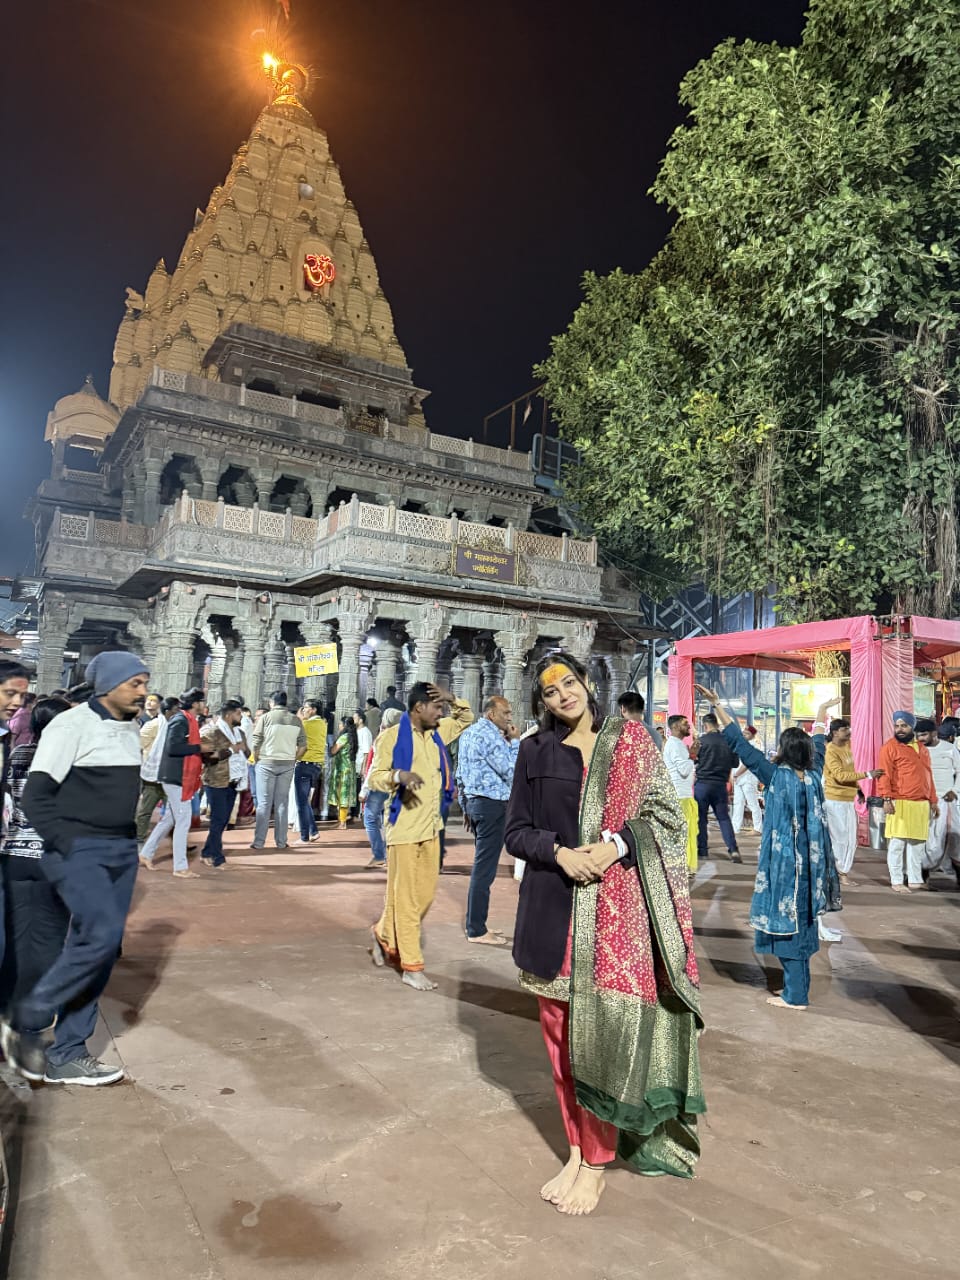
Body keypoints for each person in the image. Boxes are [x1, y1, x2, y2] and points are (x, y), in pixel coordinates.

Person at [507, 653, 704, 1216]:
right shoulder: (534, 752)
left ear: (589, 684)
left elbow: (667, 814)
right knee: (560, 1045)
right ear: (540, 702)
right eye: (550, 692)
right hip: (553, 912)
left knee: (606, 1042)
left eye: (570, 682)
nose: (563, 695)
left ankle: (597, 1161)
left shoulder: (632, 742)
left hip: (618, 920)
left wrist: (616, 846)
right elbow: (517, 832)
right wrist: (560, 854)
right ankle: (575, 1151)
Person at [2, 652, 148, 1080]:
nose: (143, 691)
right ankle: (31, 1017)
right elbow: (37, 796)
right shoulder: (71, 725)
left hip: (120, 851)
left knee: (102, 952)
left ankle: (66, 1051)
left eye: (144, 682)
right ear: (108, 685)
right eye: (134, 683)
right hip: (81, 849)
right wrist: (71, 845)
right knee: (92, 943)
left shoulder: (130, 726)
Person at [698, 686, 841, 1009]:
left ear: (783, 750)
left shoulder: (774, 776)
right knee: (804, 923)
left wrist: (718, 704)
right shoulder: (815, 775)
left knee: (787, 924)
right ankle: (796, 988)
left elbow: (737, 741)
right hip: (812, 869)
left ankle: (795, 995)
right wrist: (821, 710)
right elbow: (818, 737)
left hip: (784, 868)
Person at [368, 683, 473, 990]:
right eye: (436, 707)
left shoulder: (438, 734)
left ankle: (383, 934)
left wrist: (451, 697)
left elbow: (466, 718)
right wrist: (397, 776)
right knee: (407, 899)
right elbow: (374, 777)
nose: (441, 712)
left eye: (442, 708)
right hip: (403, 829)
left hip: (431, 826)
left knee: (423, 896)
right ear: (418, 709)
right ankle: (411, 965)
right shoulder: (390, 738)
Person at [455, 696, 519, 944]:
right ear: (491, 714)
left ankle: (477, 924)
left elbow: (461, 774)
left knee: (483, 868)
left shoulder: (469, 734)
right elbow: (511, 771)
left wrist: (466, 807)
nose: (509, 717)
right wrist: (515, 743)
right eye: (506, 713)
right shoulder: (491, 737)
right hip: (493, 807)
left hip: (477, 805)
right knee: (484, 871)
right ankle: (477, 930)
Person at [138, 687, 210, 879]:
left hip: (177, 776)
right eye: (202, 701)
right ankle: (180, 867)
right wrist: (199, 747)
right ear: (195, 703)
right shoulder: (180, 720)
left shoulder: (187, 720)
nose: (204, 705)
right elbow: (173, 747)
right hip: (176, 777)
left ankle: (145, 853)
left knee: (170, 819)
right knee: (183, 819)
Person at [878, 711, 938, 893]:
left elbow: (928, 775)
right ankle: (896, 881)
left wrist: (933, 800)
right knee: (897, 843)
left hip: (921, 803)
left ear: (912, 727)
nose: (900, 729)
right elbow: (884, 775)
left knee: (917, 843)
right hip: (900, 801)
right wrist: (886, 798)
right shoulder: (889, 747)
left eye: (904, 725)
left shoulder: (922, 748)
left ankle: (914, 879)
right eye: (897, 726)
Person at [823, 717, 883, 889]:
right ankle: (839, 873)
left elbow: (849, 772)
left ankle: (841, 872)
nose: (849, 732)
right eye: (845, 729)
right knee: (839, 838)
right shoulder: (831, 751)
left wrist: (858, 789)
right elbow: (840, 776)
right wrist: (868, 775)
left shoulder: (847, 747)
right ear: (835, 733)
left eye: (849, 728)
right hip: (834, 801)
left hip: (847, 800)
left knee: (850, 838)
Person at [250, 691, 307, 850]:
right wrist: (294, 758)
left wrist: (256, 758)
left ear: (272, 702)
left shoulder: (265, 718)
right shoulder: (296, 720)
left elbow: (256, 741)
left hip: (266, 763)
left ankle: (259, 842)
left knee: (264, 804)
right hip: (287, 764)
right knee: (282, 803)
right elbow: (303, 745)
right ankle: (281, 842)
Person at [199, 700, 248, 868]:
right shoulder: (211, 732)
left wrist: (244, 749)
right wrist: (232, 750)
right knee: (218, 819)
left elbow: (246, 752)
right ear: (229, 715)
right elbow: (208, 757)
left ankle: (206, 852)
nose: (240, 717)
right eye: (238, 713)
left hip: (234, 781)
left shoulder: (239, 732)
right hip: (216, 781)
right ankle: (217, 858)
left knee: (223, 820)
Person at [914, 718, 960, 882]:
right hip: (924, 800)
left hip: (946, 800)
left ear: (934, 733)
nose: (921, 738)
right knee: (925, 838)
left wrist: (954, 790)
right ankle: (922, 874)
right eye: (918, 735)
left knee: (953, 837)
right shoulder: (917, 750)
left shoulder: (949, 748)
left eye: (924, 735)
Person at [693, 712, 741, 863]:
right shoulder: (728, 741)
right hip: (720, 785)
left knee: (701, 818)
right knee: (724, 819)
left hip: (702, 784)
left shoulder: (701, 741)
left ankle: (702, 850)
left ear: (705, 725)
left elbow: (693, 760)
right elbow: (735, 763)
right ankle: (733, 850)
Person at [359, 708, 403, 868]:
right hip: (400, 782)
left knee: (370, 817)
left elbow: (375, 766)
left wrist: (364, 789)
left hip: (382, 782)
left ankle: (379, 855)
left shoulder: (384, 738)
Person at [136, 696, 180, 845]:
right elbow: (139, 745)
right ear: (168, 711)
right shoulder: (154, 725)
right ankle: (139, 839)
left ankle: (176, 842)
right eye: (176, 709)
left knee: (174, 812)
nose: (178, 712)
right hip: (153, 775)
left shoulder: (177, 726)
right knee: (145, 811)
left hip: (170, 775)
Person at [663, 713, 698, 874]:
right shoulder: (675, 745)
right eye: (685, 723)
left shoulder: (677, 744)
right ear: (675, 726)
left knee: (687, 833)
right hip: (680, 797)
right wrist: (693, 756)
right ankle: (680, 866)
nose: (688, 726)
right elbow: (684, 770)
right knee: (683, 834)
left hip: (683, 795)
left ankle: (684, 866)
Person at [293, 699, 326, 844]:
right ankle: (313, 831)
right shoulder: (322, 724)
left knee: (301, 802)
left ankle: (304, 836)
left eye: (305, 708)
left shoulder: (306, 724)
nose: (304, 710)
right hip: (316, 765)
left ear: (313, 710)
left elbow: (298, 741)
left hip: (304, 764)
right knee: (305, 801)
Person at [731, 726, 763, 837]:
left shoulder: (754, 746)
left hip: (748, 779)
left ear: (753, 735)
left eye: (747, 734)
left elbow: (747, 764)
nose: (744, 735)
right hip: (738, 778)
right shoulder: (741, 745)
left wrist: (736, 774)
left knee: (752, 804)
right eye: (743, 733)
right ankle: (735, 828)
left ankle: (758, 828)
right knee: (737, 803)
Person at [328, 715, 359, 830]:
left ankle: (342, 822)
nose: (339, 726)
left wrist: (330, 746)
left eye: (340, 724)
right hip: (349, 769)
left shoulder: (343, 737)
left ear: (345, 726)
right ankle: (341, 820)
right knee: (344, 795)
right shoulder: (352, 737)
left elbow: (333, 750)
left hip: (342, 770)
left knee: (342, 795)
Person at [354, 710, 373, 805]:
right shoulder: (357, 731)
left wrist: (364, 768)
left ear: (360, 720)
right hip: (356, 763)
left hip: (360, 764)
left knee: (358, 788)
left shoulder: (365, 732)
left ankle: (356, 813)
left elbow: (366, 752)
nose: (353, 720)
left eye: (355, 718)